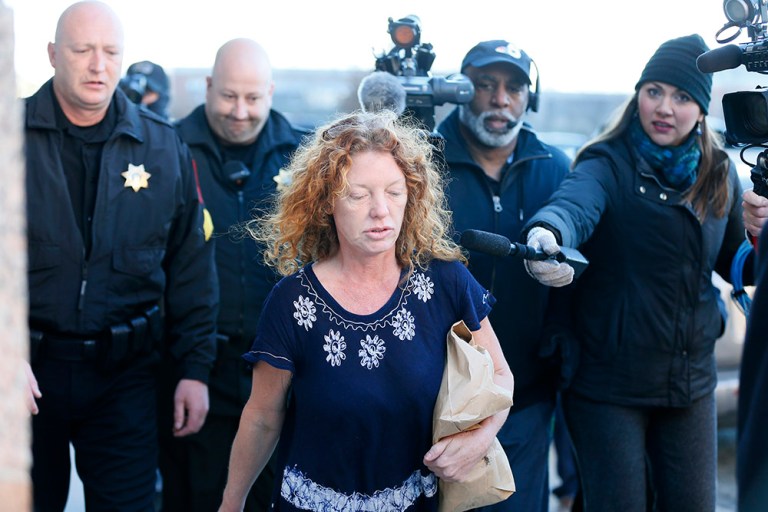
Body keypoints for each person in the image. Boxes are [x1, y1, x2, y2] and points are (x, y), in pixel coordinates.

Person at [217, 110, 514, 511]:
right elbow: (263, 417)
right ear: (325, 203)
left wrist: (477, 440)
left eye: (394, 191)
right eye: (358, 195)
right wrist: (231, 503)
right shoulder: (292, 301)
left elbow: (501, 375)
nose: (381, 210)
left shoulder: (447, 282)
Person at [522, 34, 747, 511]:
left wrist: (760, 242)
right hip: (609, 384)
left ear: (702, 110)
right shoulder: (608, 163)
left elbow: (735, 262)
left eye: (683, 97)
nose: (664, 107)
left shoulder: (718, 173)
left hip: (690, 382)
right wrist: (549, 234)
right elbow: (573, 206)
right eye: (654, 91)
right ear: (638, 94)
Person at [24, 1, 217, 510]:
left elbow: (190, 267)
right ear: (51, 55)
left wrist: (195, 370)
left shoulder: (162, 146)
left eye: (110, 51)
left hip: (125, 378)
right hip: (23, 374)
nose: (97, 65)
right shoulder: (9, 138)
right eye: (82, 50)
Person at [159, 37, 307, 512]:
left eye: (252, 98)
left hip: (286, 375)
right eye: (227, 96)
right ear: (207, 86)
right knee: (198, 497)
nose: (240, 111)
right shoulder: (168, 149)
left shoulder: (307, 158)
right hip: (195, 374)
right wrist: (187, 366)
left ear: (271, 91)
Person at [435, 40, 573, 512]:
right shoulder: (422, 164)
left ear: (528, 98)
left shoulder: (555, 168)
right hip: (434, 401)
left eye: (514, 88)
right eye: (486, 86)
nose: (500, 100)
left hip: (526, 400)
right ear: (460, 91)